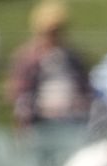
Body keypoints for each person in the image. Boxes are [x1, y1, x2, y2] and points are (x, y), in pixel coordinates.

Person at [5, 1, 94, 129]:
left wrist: (82, 105)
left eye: (59, 30)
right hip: (39, 121)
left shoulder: (74, 58)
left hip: (74, 120)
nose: (55, 35)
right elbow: (16, 94)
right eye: (50, 31)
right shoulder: (27, 58)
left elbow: (86, 89)